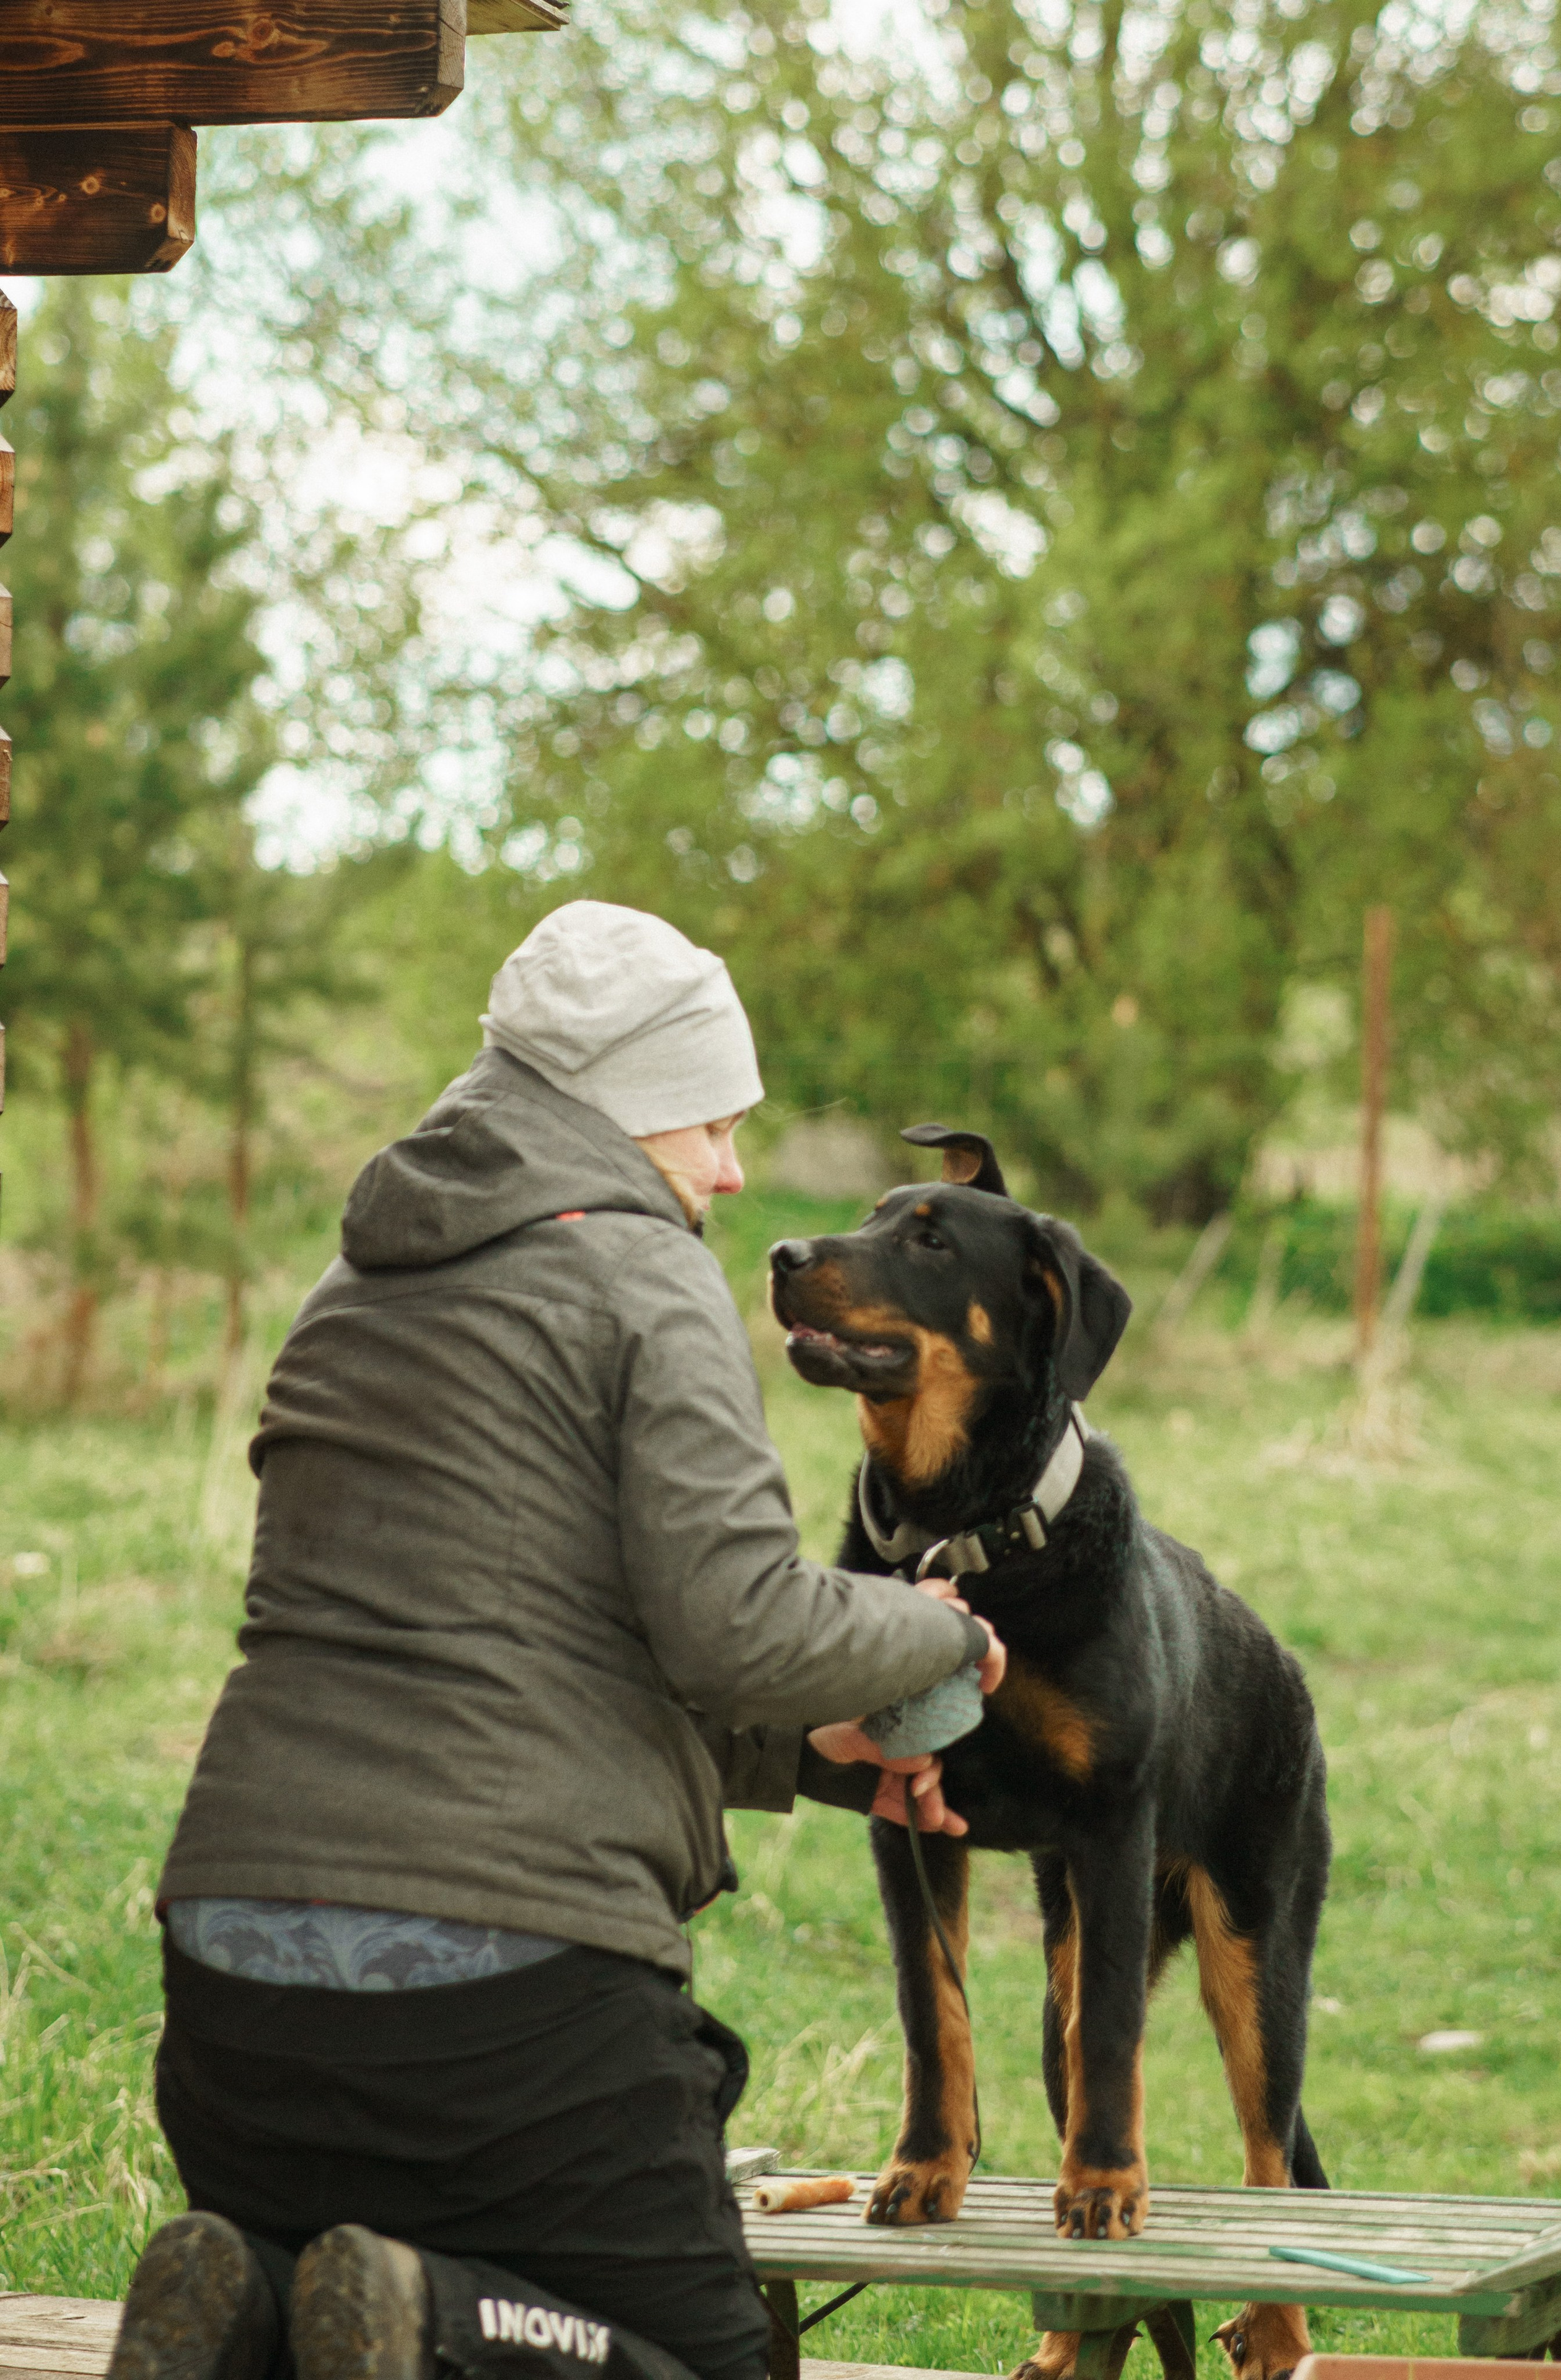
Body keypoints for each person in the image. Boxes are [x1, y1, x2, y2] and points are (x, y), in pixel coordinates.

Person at [112, 902, 1006, 2380]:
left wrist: (804, 1744)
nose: (727, 1170)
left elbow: (506, 1630)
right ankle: (441, 2324)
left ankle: (247, 2308)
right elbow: (740, 1624)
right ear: (633, 1109)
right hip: (498, 2004)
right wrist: (918, 1633)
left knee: (332, 2324)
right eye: (709, 1124)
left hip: (233, 1990)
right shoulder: (638, 1271)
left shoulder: (358, 1280)